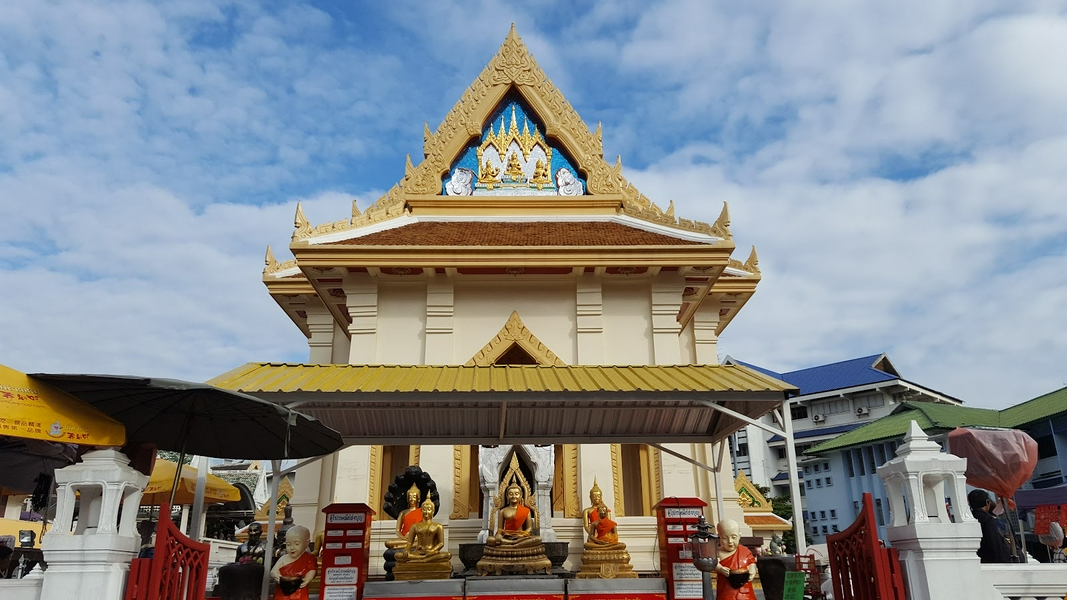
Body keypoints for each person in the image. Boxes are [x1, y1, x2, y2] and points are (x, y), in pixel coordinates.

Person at [486, 482, 539, 548]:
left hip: (521, 537)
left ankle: (512, 545)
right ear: (507, 496)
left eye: (516, 494)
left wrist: (523, 535)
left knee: (538, 539)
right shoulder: (503, 511)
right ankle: (514, 544)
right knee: (489, 540)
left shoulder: (526, 511)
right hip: (507, 537)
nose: (514, 496)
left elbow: (529, 528)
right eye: (511, 494)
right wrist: (499, 535)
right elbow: (500, 529)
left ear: (521, 495)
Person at [714, 519, 757, 600]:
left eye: (734, 537)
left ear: (739, 536)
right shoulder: (718, 553)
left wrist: (752, 570)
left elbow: (752, 561)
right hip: (727, 589)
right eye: (725, 538)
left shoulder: (744, 550)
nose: (730, 541)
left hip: (745, 590)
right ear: (719, 537)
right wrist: (720, 568)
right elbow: (715, 563)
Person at [270, 525, 316, 600]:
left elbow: (312, 569)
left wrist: (307, 579)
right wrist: (278, 577)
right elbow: (273, 571)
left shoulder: (309, 559)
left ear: (307, 543)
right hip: (282, 592)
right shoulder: (283, 558)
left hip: (299, 592)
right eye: (288, 544)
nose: (292, 547)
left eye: (297, 544)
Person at [968, 489, 1012, 563]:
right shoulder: (988, 520)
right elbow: (995, 544)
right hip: (990, 561)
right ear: (987, 502)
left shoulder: (968, 519)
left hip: (975, 560)